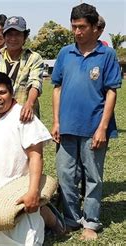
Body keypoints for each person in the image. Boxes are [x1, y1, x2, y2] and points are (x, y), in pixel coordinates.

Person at [51, 3, 121, 240]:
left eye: (82, 27)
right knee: (65, 175)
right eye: (74, 27)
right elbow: (57, 88)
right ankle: (71, 219)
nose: (77, 32)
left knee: (93, 176)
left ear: (94, 28)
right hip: (66, 126)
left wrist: (102, 127)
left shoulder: (107, 55)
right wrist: (56, 122)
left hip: (94, 128)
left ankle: (91, 222)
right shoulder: (65, 53)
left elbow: (112, 92)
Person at [0, 72, 51, 245]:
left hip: (14, 192)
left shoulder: (23, 116)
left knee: (27, 240)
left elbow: (36, 156)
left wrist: (33, 192)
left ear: (11, 93)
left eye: (2, 93)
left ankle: (53, 220)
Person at [0, 16, 44, 134]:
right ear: (4, 36)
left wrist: (29, 104)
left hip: (25, 115)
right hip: (0, 117)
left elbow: (35, 83)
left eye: (17, 34)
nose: (13, 39)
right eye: (9, 34)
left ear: (25, 37)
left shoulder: (33, 58)